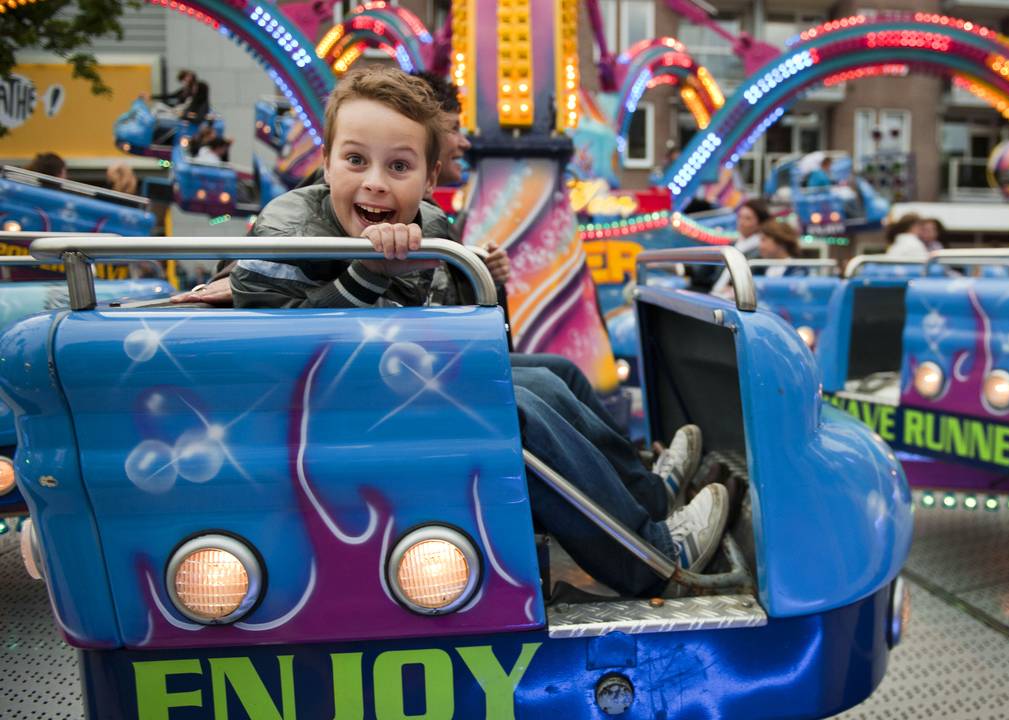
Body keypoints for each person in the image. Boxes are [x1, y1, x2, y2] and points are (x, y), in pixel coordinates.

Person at [229, 66, 729, 597]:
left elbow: (457, 329)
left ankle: (649, 498)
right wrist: (366, 275)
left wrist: (483, 282)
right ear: (327, 164)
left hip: (393, 382)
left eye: (398, 166)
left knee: (553, 375)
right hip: (330, 415)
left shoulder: (429, 226)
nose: (375, 181)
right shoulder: (288, 230)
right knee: (513, 407)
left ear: (428, 179)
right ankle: (650, 558)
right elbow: (285, 357)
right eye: (356, 160)